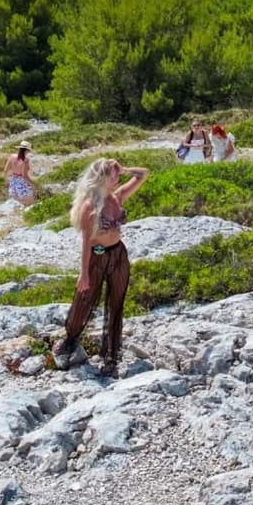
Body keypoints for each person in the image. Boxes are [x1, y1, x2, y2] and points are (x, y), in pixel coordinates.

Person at [57, 158, 148, 374]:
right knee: (86, 299)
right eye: (112, 175)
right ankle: (70, 339)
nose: (117, 179)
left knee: (116, 303)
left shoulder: (117, 197)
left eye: (117, 176)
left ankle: (111, 355)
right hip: (97, 256)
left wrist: (124, 168)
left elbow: (142, 173)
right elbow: (86, 242)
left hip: (118, 254)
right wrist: (84, 274)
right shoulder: (91, 206)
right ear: (102, 178)